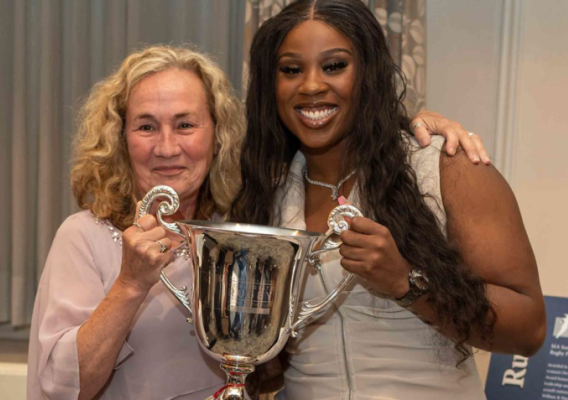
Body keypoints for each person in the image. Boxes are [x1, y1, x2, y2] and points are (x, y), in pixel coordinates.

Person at [26, 44, 490, 399]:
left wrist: (414, 129)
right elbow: (60, 389)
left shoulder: (248, 224)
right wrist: (129, 285)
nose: (167, 147)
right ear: (120, 137)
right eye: (146, 126)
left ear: (217, 132)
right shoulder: (88, 236)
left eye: (185, 124)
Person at [230, 1, 546, 399]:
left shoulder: (446, 169)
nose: (311, 85)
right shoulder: (267, 197)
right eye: (291, 70)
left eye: (334, 66)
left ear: (369, 72)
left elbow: (530, 330)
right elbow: (271, 364)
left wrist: (406, 283)